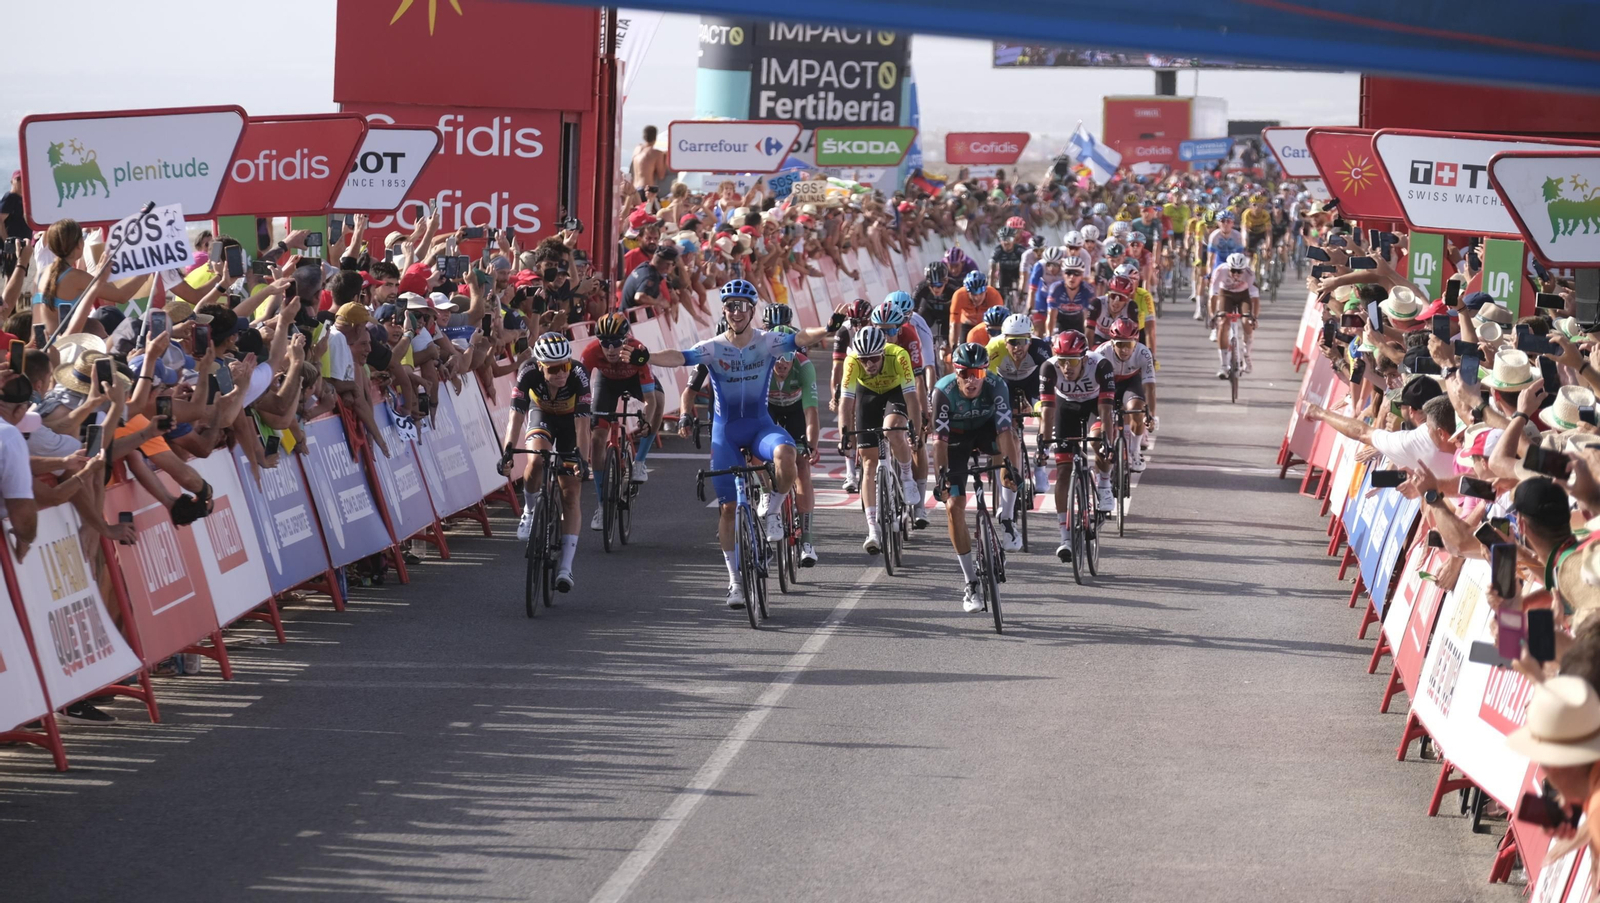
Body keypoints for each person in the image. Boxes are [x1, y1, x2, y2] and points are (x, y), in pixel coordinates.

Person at [644, 279, 843, 609]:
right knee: (728, 509)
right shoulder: (713, 346)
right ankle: (735, 582)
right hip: (725, 434)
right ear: (725, 310)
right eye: (730, 305)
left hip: (760, 426)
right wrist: (645, 356)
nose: (735, 311)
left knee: (786, 452)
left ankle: (774, 511)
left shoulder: (768, 342)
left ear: (753, 310)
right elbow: (678, 357)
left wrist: (827, 327)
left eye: (741, 305)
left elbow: (801, 338)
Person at [931, 343, 1023, 613]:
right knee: (953, 507)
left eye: (978, 374)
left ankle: (1006, 518)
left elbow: (1005, 430)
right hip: (955, 441)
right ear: (955, 372)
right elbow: (939, 444)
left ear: (986, 373)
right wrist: (941, 478)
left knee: (1009, 453)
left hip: (986, 431)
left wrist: (1011, 469)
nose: (972, 381)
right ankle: (971, 582)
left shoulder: (997, 385)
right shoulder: (943, 392)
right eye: (965, 374)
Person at [500, 333, 593, 594]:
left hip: (570, 422)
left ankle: (566, 567)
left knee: (571, 493)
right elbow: (515, 416)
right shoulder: (527, 371)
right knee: (537, 460)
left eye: (564, 365)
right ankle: (529, 512)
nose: (561, 373)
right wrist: (508, 450)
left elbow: (583, 426)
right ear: (540, 366)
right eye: (553, 369)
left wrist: (582, 461)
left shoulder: (578, 374)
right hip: (541, 414)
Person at [838, 325, 922, 553]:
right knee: (867, 464)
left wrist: (915, 429)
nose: (869, 364)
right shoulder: (852, 361)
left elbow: (912, 398)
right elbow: (846, 404)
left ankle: (906, 477)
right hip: (868, 395)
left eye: (874, 358)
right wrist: (845, 436)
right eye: (864, 360)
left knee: (893, 430)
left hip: (896, 392)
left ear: (883, 352)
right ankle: (873, 529)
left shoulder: (898, 355)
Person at [1039, 329, 1117, 551]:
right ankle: (1065, 537)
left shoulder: (1101, 366)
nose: (1066, 367)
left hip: (1095, 404)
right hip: (1067, 407)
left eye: (1072, 361)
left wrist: (1107, 442)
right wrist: (1044, 445)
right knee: (1063, 471)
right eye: (1062, 361)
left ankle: (1104, 482)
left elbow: (1106, 411)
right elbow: (1047, 410)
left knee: (1099, 443)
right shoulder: (1048, 368)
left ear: (1083, 357)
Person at [579, 313, 658, 531]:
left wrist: (646, 422)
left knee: (659, 402)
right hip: (607, 384)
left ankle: (640, 462)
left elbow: (649, 399)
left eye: (616, 343)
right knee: (597, 440)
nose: (610, 349)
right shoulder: (591, 353)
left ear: (625, 340)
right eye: (605, 343)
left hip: (635, 381)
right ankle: (602, 504)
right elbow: (579, 392)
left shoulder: (638, 351)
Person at [764, 324, 821, 566]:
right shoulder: (762, 366)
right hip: (768, 411)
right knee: (761, 459)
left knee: (802, 467)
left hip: (796, 411)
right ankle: (767, 498)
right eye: (777, 360)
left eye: (786, 360)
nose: (782, 366)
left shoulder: (804, 366)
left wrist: (812, 445)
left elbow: (811, 412)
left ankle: (807, 541)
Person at [1096, 318, 1157, 472]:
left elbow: (1149, 387)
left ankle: (1135, 451)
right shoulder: (1101, 353)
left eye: (1128, 345)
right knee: (1104, 416)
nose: (1124, 350)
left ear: (1135, 343)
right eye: (1120, 344)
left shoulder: (1143, 353)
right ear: (1112, 343)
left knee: (1137, 409)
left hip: (1131, 382)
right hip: (1107, 383)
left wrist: (1150, 415)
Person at [1208, 251, 1259, 377]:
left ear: (1244, 270)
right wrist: (1213, 316)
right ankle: (1224, 365)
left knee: (1247, 322)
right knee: (1223, 323)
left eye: (1239, 271)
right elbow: (1213, 297)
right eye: (1233, 270)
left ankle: (1247, 356)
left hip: (1243, 296)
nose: (1236, 274)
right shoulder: (1220, 271)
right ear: (1228, 267)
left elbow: (1255, 299)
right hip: (1226, 294)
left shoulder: (1249, 274)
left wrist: (1254, 317)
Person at [631, 125, 670, 196]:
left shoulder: (637, 149)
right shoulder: (656, 153)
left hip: (634, 189)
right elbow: (661, 175)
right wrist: (665, 157)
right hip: (646, 190)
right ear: (655, 137)